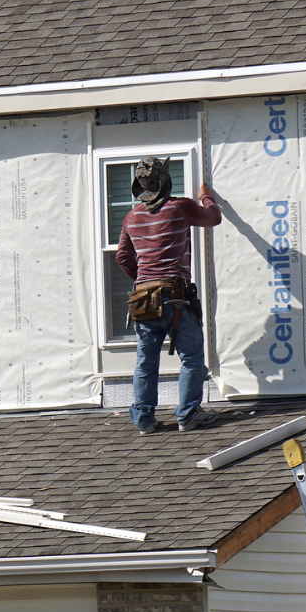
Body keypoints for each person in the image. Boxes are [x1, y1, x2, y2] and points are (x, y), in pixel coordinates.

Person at [116, 156, 222, 436]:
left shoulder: (131, 217)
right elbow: (214, 218)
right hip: (175, 297)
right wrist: (206, 197)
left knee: (146, 361)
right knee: (192, 358)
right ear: (165, 182)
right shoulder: (179, 207)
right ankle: (188, 415)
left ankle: (144, 420)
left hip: (143, 299)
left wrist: (145, 281)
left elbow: (122, 258)